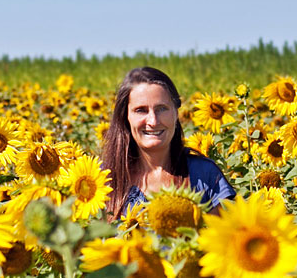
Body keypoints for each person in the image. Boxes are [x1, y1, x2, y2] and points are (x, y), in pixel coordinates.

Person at [101, 67, 235, 219]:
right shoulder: (102, 180)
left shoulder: (204, 175)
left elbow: (224, 237)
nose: (153, 121)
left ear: (175, 113)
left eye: (161, 109)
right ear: (125, 116)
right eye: (141, 110)